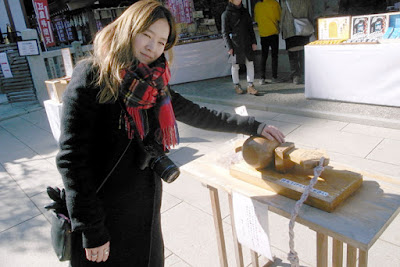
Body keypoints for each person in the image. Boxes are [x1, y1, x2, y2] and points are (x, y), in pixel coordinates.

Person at [56, 0, 285, 266]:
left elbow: (198, 114)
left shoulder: (154, 84)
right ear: (129, 28)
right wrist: (91, 229)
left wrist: (253, 126)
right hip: (105, 213)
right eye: (147, 35)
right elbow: (72, 159)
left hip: (145, 210)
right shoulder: (93, 75)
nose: (152, 47)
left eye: (162, 42)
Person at [221, 0, 259, 95]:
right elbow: (224, 32)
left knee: (250, 62)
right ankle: (236, 85)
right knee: (235, 65)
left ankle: (250, 85)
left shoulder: (245, 11)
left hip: (247, 41)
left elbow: (250, 28)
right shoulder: (226, 14)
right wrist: (229, 46)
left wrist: (254, 42)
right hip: (235, 43)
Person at [280, 0, 313, 84]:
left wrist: (282, 30)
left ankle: (296, 77)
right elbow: (310, 14)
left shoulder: (286, 1)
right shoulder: (306, 1)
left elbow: (283, 16)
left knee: (292, 56)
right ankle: (305, 75)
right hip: (303, 29)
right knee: (303, 54)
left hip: (290, 30)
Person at [254, 0, 281, 85]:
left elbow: (256, 19)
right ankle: (274, 77)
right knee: (274, 56)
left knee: (263, 56)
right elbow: (279, 17)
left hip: (263, 34)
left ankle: (262, 78)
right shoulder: (275, 4)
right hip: (273, 33)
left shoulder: (257, 5)